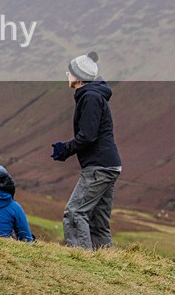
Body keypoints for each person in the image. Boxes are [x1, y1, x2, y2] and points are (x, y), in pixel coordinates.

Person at [51, 51, 122, 249]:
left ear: (79, 76)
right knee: (98, 222)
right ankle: (106, 261)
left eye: (70, 72)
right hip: (108, 165)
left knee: (75, 213)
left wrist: (65, 149)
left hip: (98, 167)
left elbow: (88, 135)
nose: (67, 74)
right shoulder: (94, 96)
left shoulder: (90, 97)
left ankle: (79, 257)